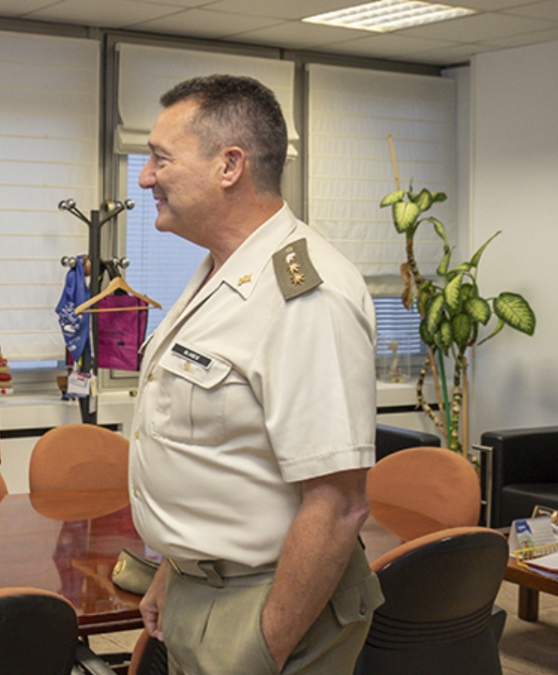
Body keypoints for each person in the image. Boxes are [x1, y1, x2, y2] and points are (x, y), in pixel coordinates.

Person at [129, 75, 385, 674]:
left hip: (269, 604)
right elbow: (218, 457)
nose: (145, 177)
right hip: (206, 589)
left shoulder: (304, 294)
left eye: (160, 159)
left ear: (229, 166)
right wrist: (176, 566)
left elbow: (339, 502)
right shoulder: (223, 272)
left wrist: (265, 645)